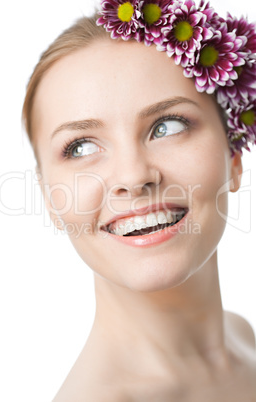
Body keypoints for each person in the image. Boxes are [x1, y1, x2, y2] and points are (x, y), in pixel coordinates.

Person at [22, 0, 256, 400]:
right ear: (49, 198)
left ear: (232, 157)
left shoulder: (242, 337)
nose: (133, 177)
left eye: (167, 126)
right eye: (80, 147)